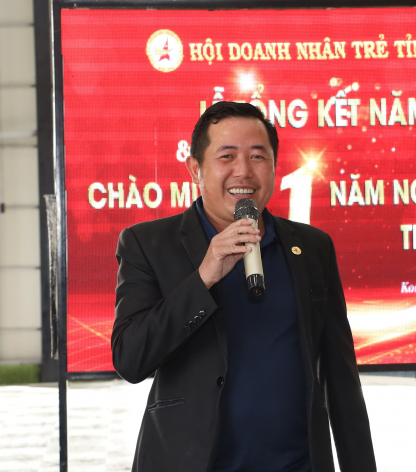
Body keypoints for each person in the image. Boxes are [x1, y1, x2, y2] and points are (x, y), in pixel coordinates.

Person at [112, 102, 376, 472]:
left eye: (257, 156)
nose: (244, 171)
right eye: (227, 156)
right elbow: (130, 359)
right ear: (195, 169)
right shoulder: (148, 243)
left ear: (274, 166)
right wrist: (204, 277)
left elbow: (341, 378)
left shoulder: (312, 247)